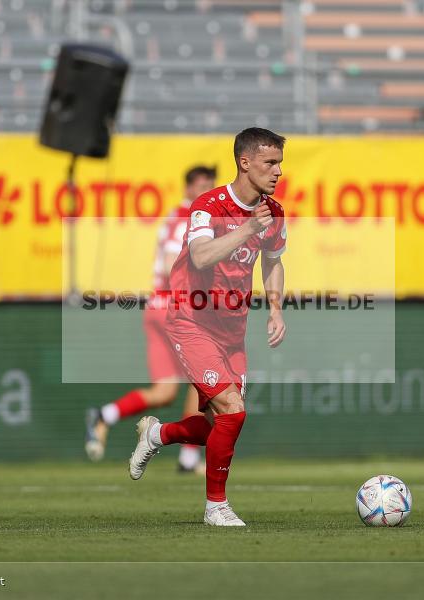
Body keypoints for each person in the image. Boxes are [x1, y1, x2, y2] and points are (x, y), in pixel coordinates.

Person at [127, 128, 288, 526]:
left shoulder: (274, 212)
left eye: (280, 163)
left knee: (220, 426)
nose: (278, 171)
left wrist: (276, 309)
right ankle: (216, 507)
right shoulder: (207, 206)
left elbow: (273, 261)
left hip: (232, 329)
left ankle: (157, 435)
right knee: (233, 411)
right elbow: (199, 256)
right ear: (245, 163)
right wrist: (247, 228)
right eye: (270, 163)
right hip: (191, 320)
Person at [84, 166, 218, 474]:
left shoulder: (181, 215)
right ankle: (188, 458)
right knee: (204, 379)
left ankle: (104, 415)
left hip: (157, 307)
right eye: (202, 185)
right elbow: (173, 263)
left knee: (164, 391)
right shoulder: (189, 217)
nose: (207, 191)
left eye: (210, 185)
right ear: (188, 188)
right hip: (175, 307)